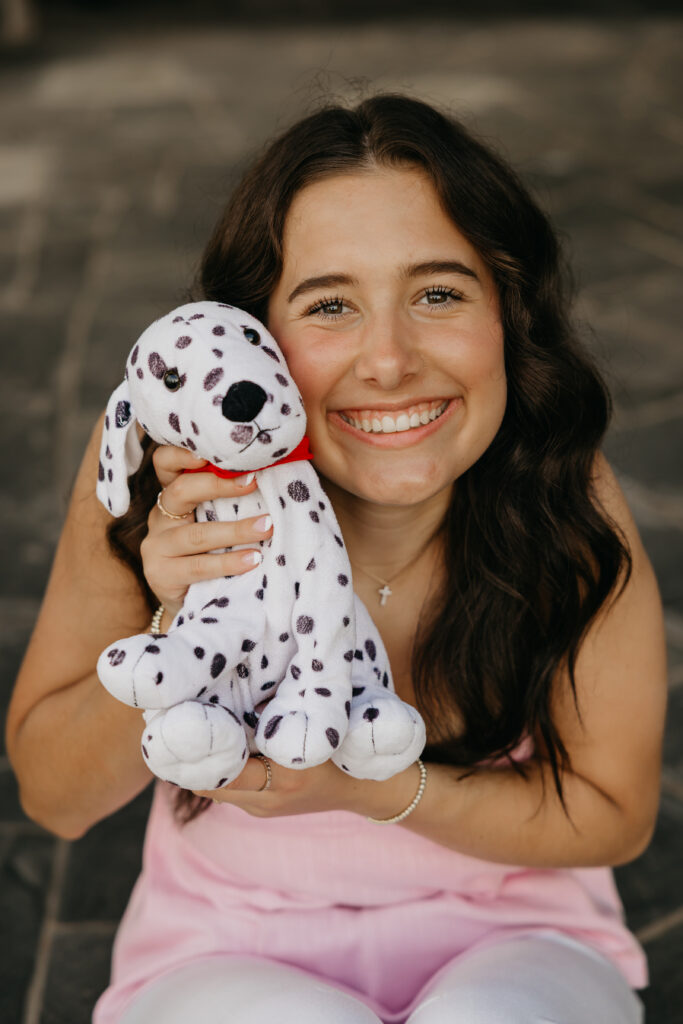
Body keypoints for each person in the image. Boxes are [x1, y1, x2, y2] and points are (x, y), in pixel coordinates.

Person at [7, 94, 667, 1023]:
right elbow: (55, 799)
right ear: (253, 337)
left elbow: (611, 815)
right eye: (329, 306)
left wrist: (370, 788)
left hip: (516, 934)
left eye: (437, 293)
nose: (388, 361)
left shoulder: (557, 481)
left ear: (507, 315)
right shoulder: (163, 475)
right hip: (227, 944)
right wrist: (177, 621)